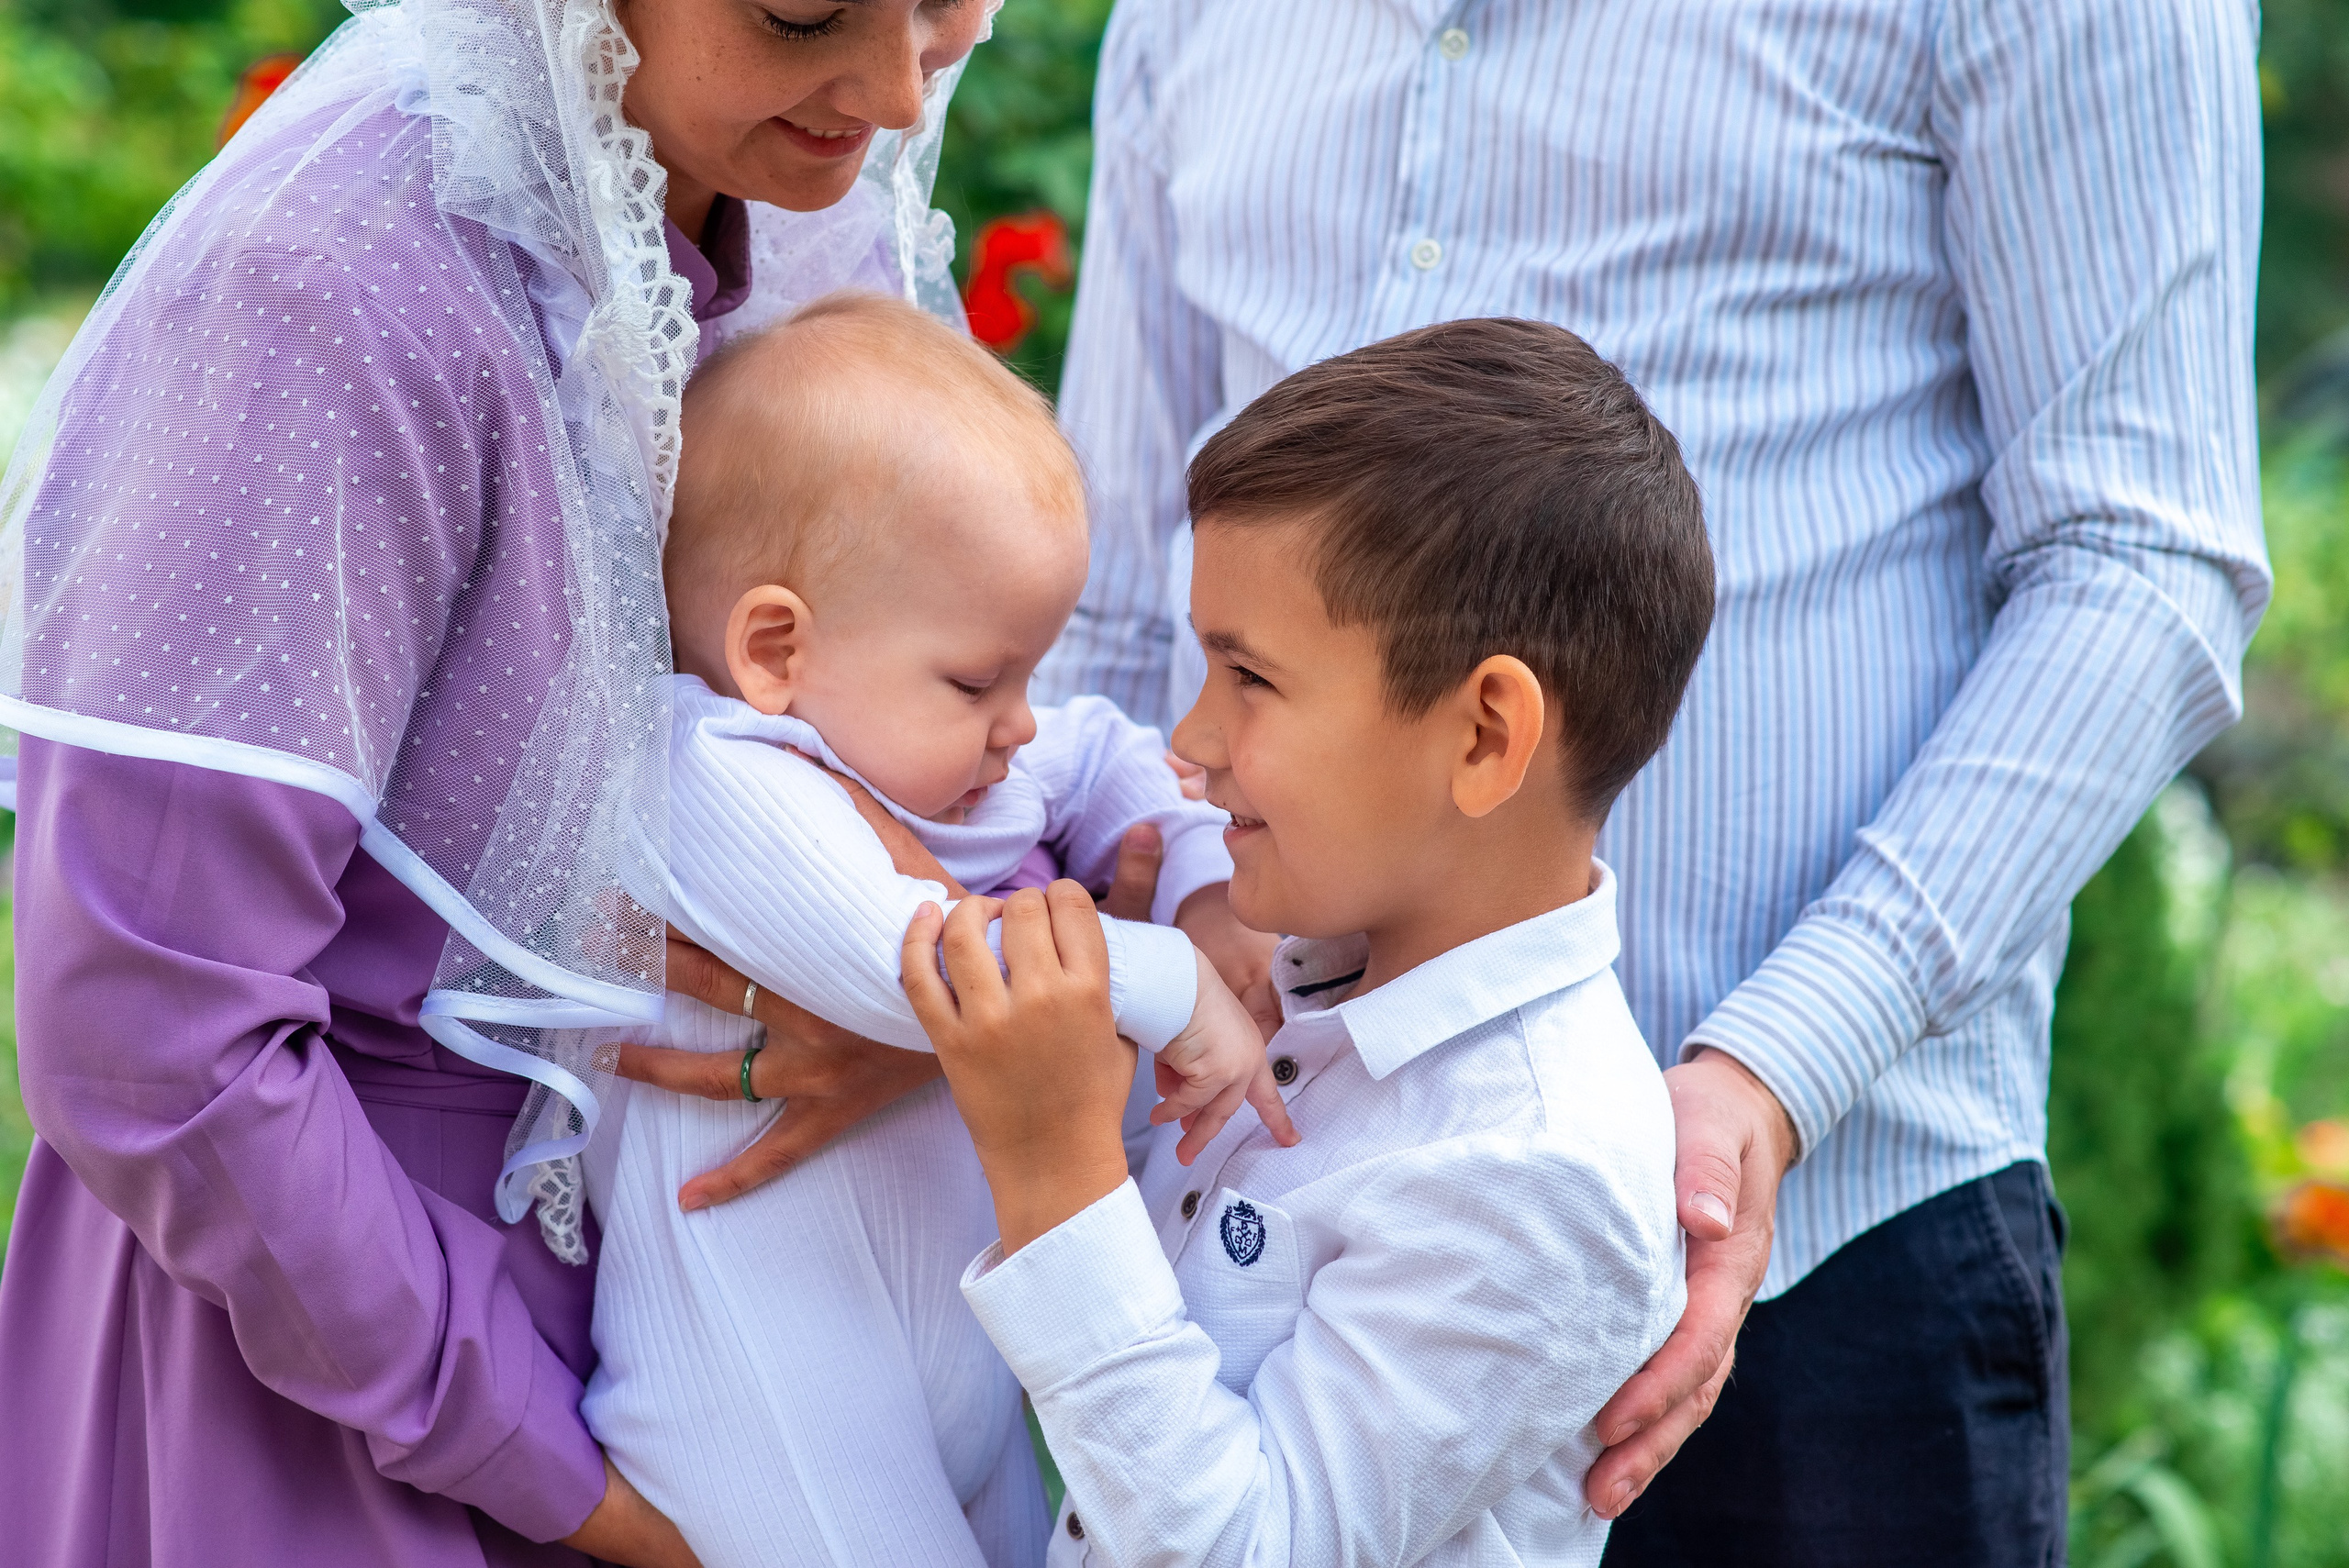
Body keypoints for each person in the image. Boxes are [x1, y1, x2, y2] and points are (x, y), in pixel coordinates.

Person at [1036, 3, 2266, 1561]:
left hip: (1828, 1262)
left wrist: (1771, 1069)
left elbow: (2143, 558)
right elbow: (1120, 605)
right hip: (1284, 1225)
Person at [0, 0, 994, 1563]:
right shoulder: (327, 295)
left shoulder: (796, 202)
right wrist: (572, 1478)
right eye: (804, 10)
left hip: (701, 1332)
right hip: (336, 1359)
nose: (890, 85)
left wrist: (906, 1012)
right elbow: (153, 1031)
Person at [904, 317, 1710, 1564]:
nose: (1193, 739)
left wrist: (1054, 1169)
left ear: (1485, 737)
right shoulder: (1303, 968)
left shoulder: (1533, 1167)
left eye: (1250, 679)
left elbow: (1249, 1545)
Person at [580, 292, 1292, 1568]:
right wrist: (1176, 979)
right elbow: (917, 967)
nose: (1022, 721)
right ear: (775, 648)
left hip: (949, 1359)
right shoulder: (715, 769)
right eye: (979, 680)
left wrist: (1201, 888)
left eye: (1029, 670)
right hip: (770, 1394)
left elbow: (1104, 756)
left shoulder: (946, 754)